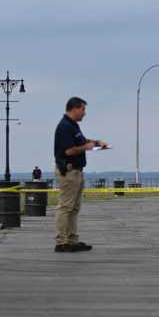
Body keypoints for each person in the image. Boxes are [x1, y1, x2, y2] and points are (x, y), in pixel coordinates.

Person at [53, 97, 109, 253]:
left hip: (76, 171)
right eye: (83, 109)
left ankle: (71, 239)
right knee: (65, 207)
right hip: (69, 171)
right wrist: (87, 147)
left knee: (74, 208)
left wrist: (96, 143)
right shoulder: (65, 126)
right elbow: (69, 150)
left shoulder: (73, 126)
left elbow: (82, 141)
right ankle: (62, 242)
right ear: (74, 109)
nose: (84, 113)